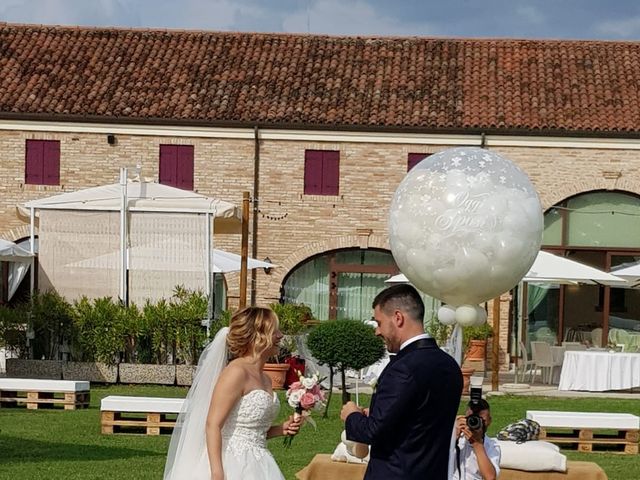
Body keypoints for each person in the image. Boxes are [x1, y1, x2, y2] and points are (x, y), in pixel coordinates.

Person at [340, 283, 463, 479]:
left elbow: (372, 431)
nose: (377, 332)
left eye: (379, 323)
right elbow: (420, 416)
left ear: (398, 318)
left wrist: (351, 415)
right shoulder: (449, 365)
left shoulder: (402, 367)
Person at [164, 306, 302, 480]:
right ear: (257, 336)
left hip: (259, 464)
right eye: (275, 331)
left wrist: (281, 429)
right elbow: (212, 425)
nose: (281, 335)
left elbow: (249, 431)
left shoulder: (266, 378)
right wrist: (217, 473)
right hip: (230, 463)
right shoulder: (236, 372)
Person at [452, 399, 501, 480]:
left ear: (489, 421)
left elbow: (490, 478)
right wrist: (452, 439)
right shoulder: (452, 437)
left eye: (482, 420)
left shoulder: (492, 446)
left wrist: (477, 444)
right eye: (471, 419)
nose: (476, 423)